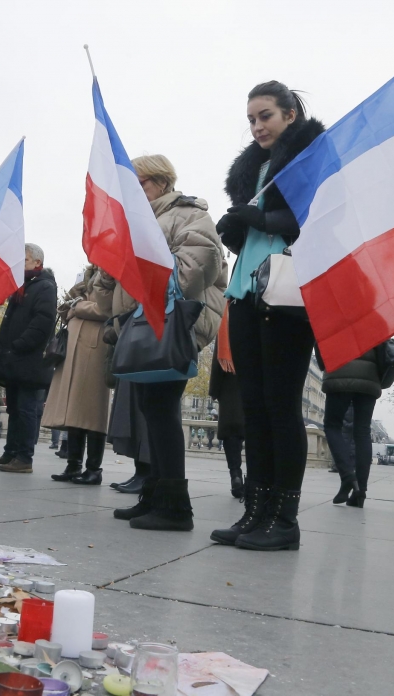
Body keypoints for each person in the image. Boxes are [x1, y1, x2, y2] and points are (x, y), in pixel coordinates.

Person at [211, 81, 325, 550]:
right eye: (252, 119)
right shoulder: (255, 169)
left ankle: (285, 520)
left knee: (281, 408)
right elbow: (254, 236)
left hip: (288, 296)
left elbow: (314, 219)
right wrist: (236, 228)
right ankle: (255, 513)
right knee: (253, 408)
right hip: (244, 293)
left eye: (266, 116)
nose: (258, 126)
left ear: (290, 114)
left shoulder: (311, 159)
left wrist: (258, 219)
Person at [105, 154, 224, 532]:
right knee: (150, 411)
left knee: (162, 410)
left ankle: (175, 507)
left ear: (160, 182)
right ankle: (155, 494)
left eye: (139, 184)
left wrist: (146, 282)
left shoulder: (188, 214)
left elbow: (199, 261)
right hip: (143, 324)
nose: (135, 193)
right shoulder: (141, 221)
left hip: (171, 324)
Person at [0, 244, 57, 474]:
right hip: (15, 361)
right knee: (14, 408)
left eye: (24, 260)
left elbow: (42, 322)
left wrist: (19, 346)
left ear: (37, 262)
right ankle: (10, 452)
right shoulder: (23, 286)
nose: (20, 264)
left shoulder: (44, 287)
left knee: (25, 410)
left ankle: (24, 457)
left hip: (28, 361)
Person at [44, 265, 114, 485]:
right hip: (73, 348)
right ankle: (73, 465)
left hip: (95, 347)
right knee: (73, 409)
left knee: (93, 410)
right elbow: (66, 308)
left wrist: (78, 307)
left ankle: (94, 468)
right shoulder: (85, 281)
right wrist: (71, 307)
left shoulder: (112, 278)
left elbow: (107, 310)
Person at [321, 350, 381, 508]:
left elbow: (321, 338)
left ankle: (347, 475)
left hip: (339, 369)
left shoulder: (333, 322)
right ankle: (360, 492)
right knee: (363, 432)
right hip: (369, 375)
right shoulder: (374, 322)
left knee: (332, 425)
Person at [209, 308, 245, 499]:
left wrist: (214, 389)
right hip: (253, 382)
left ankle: (236, 475)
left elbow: (218, 356)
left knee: (232, 436)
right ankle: (254, 480)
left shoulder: (228, 316)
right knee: (255, 434)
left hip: (230, 385)